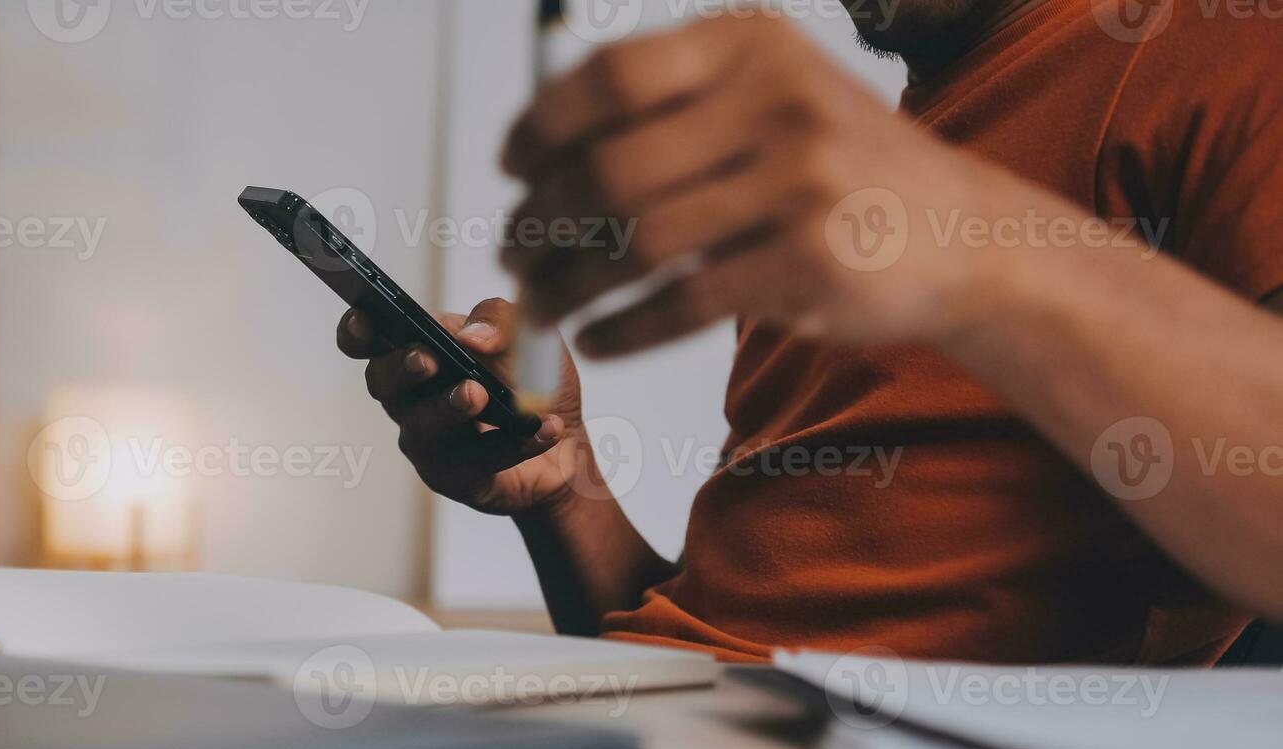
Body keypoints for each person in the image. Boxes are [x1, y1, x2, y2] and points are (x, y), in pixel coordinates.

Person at [337, 0, 1283, 666]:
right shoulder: (829, 192)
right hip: (663, 747)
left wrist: (969, 243)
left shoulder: (1228, 52)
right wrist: (563, 486)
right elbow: (708, 636)